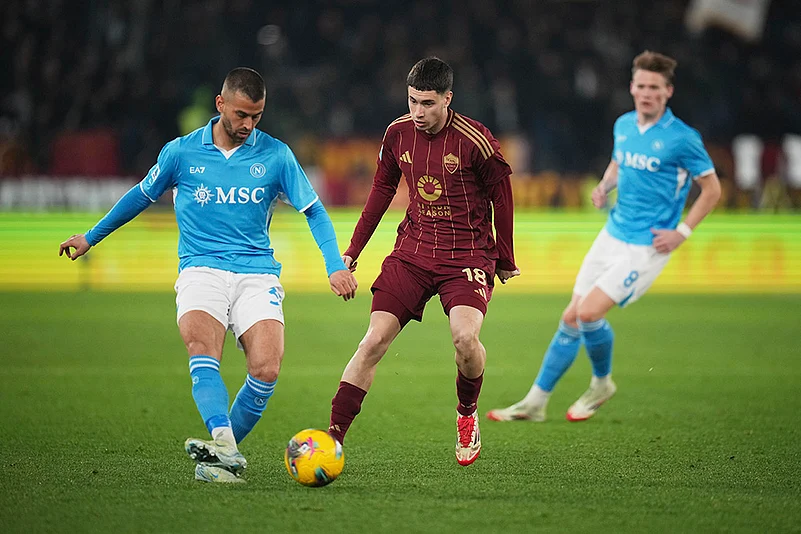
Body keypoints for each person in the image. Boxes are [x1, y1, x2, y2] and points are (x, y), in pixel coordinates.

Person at [59, 67, 358, 483]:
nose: (248, 125)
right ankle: (224, 444)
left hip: (257, 272)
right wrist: (91, 237)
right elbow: (140, 197)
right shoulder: (181, 153)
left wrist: (334, 265)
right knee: (202, 345)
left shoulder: (275, 154)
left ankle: (221, 456)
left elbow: (314, 210)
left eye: (257, 116)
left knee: (267, 368)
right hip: (201, 268)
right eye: (241, 115)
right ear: (220, 105)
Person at [487, 51, 721, 424]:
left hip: (647, 245)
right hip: (612, 232)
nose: (646, 93)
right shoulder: (624, 124)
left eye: (654, 88)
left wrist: (682, 232)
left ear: (668, 91)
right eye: (641, 86)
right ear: (632, 87)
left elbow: (711, 190)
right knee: (571, 317)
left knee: (588, 312)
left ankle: (602, 383)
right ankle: (535, 402)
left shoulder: (682, 139)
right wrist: (603, 186)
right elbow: (619, 160)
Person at [326, 57, 519, 467]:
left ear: (448, 99)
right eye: (413, 101)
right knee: (373, 340)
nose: (418, 112)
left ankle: (466, 413)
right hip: (413, 251)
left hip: (466, 254)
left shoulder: (476, 142)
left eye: (428, 103)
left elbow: (502, 197)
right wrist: (352, 251)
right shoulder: (397, 133)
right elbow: (381, 189)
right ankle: (332, 439)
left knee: (465, 340)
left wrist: (505, 256)